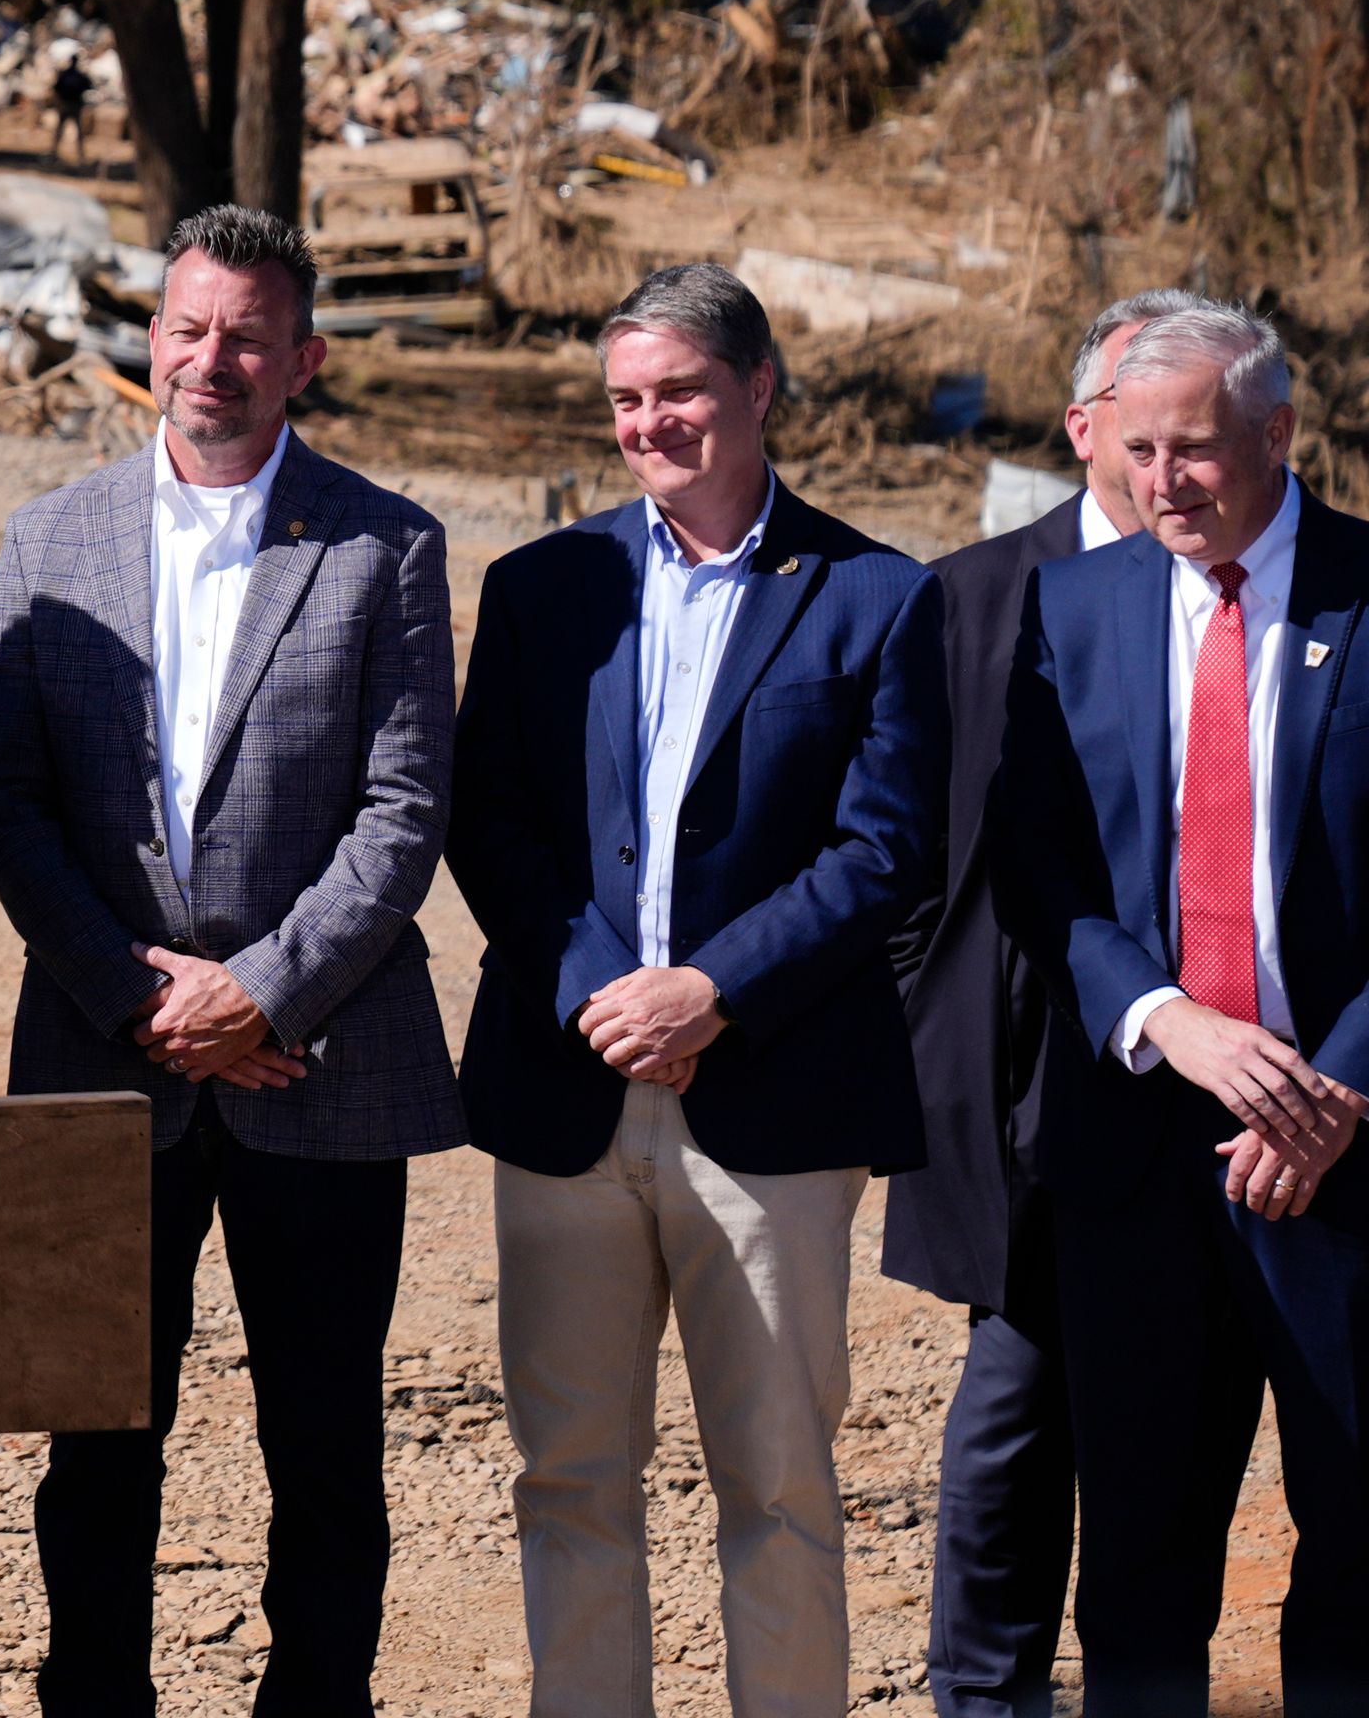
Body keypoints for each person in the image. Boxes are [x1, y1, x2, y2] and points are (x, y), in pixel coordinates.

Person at [0, 205, 461, 1718]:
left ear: (304, 356)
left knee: (325, 1437)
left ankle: (319, 1701)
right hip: (105, 1062)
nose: (213, 359)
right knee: (100, 1430)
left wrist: (260, 991)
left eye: (250, 334)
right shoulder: (52, 540)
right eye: (189, 325)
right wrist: (145, 997)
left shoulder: (388, 545)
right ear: (152, 334)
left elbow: (405, 809)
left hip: (321, 1055)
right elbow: (6, 791)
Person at [447, 261, 943, 1718]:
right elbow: (491, 823)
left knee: (781, 1481)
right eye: (624, 400)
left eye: (678, 393)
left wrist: (710, 991)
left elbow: (886, 851)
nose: (650, 424)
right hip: (569, 1091)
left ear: (759, 389)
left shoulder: (877, 597)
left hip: (774, 1103)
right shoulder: (543, 589)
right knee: (567, 1475)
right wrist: (608, 989)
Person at [1003, 301, 1369, 1715]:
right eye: (1139, 449)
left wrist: (1330, 1091)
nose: (1164, 482)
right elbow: (1040, 860)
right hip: (1143, 1153)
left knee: (1351, 1542)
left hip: (1344, 1163)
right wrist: (1164, 1015)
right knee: (1143, 1564)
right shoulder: (1076, 604)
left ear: (1279, 433)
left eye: (1199, 450)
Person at [888, 287, 1208, 1718]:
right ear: (1086, 427)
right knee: (1014, 1426)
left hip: (1221, 1085)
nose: (1162, 467)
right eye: (1136, 424)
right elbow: (916, 859)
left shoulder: (1267, 600)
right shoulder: (965, 596)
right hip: (1022, 1095)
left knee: (1172, 1448)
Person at [49, 50, 95, 171]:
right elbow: (89, 87)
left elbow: (55, 88)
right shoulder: (78, 75)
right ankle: (77, 156)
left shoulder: (65, 74)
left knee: (62, 130)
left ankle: (55, 153)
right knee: (72, 131)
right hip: (73, 105)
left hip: (67, 105)